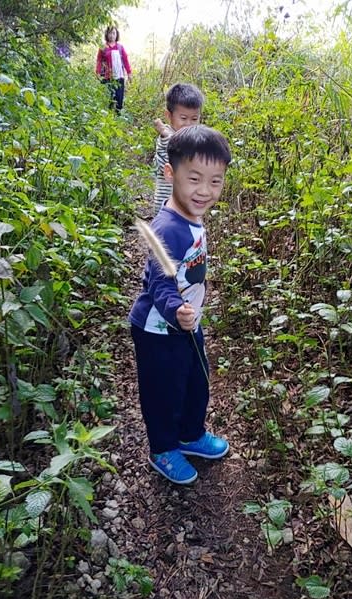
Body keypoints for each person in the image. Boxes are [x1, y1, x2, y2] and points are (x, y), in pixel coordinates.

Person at [129, 125, 232, 485]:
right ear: (170, 173)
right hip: (159, 329)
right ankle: (162, 448)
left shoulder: (191, 214)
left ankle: (190, 434)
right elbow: (159, 279)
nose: (205, 191)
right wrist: (176, 310)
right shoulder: (167, 227)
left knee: (195, 382)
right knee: (164, 390)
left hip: (187, 324)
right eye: (195, 179)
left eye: (215, 181)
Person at [152, 83, 204, 214]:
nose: (188, 124)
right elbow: (163, 161)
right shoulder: (167, 137)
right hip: (166, 204)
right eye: (183, 118)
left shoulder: (194, 139)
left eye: (194, 118)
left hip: (186, 204)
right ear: (169, 116)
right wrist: (164, 134)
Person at [95, 25, 132, 113]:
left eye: (113, 33)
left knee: (119, 96)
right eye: (109, 33)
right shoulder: (103, 47)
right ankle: (109, 116)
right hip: (107, 77)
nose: (111, 35)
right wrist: (97, 72)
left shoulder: (120, 47)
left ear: (116, 35)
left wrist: (129, 73)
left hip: (119, 76)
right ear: (106, 34)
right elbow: (99, 61)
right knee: (110, 96)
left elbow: (125, 60)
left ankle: (118, 114)